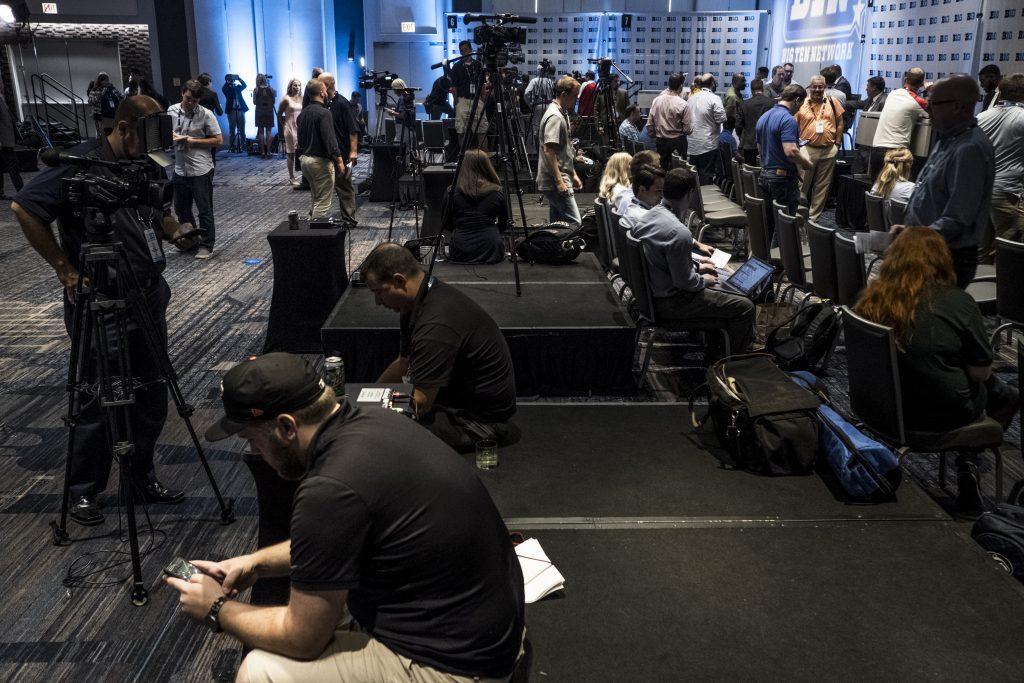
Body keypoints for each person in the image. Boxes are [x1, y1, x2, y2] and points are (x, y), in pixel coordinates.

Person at [170, 353, 525, 681]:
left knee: (261, 669)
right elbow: (332, 542)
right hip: (492, 633)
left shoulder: (329, 489)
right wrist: (257, 563)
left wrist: (217, 608)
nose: (254, 452)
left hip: (461, 669)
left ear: (287, 427)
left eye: (253, 440)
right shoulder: (375, 421)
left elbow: (303, 637)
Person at [12, 95, 194, 526]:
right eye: (146, 134)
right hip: (99, 303)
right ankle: (83, 492)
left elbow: (158, 213)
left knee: (151, 392)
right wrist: (65, 268)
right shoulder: (80, 163)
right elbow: (24, 207)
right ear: (125, 127)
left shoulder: (145, 162)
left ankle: (140, 477)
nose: (151, 145)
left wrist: (177, 233)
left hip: (147, 294)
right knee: (96, 398)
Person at [854, 227, 1019, 511]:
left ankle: (968, 455)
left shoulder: (872, 298)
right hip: (935, 418)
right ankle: (968, 458)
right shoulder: (957, 301)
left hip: (879, 411)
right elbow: (980, 372)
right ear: (943, 260)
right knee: (1005, 392)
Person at [366, 243, 520, 451]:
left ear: (399, 281)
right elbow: (404, 362)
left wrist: (370, 408)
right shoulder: (418, 298)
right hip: (455, 402)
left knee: (373, 430)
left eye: (379, 292)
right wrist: (367, 395)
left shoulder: (437, 323)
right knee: (371, 413)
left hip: (479, 423)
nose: (377, 302)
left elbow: (420, 402)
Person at [630, 167, 754, 361]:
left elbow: (663, 263)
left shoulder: (649, 217)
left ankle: (717, 350)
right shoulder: (678, 232)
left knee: (721, 287)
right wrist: (701, 279)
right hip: (670, 304)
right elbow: (685, 283)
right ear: (690, 194)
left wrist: (697, 268)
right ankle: (725, 363)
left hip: (650, 298)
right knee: (744, 306)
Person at [903, 75, 994, 289]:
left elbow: (957, 218)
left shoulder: (969, 149)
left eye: (933, 103)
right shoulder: (947, 140)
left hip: (946, 257)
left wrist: (914, 236)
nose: (927, 109)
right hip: (927, 247)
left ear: (958, 107)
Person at [168, 80, 223, 259]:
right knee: (182, 209)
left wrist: (191, 141)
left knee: (204, 209)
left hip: (201, 169)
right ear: (182, 94)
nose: (191, 103)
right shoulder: (172, 111)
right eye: (188, 98)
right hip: (180, 169)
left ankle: (207, 244)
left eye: (195, 100)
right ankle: (190, 240)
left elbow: (218, 140)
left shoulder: (206, 115)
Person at [976, 73, 1024, 263]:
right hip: (1006, 192)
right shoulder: (1022, 118)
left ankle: (978, 289)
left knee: (981, 250)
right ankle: (1004, 290)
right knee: (1009, 248)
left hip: (980, 190)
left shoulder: (982, 116)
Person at [756, 84, 811, 242]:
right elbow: (791, 151)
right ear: (797, 100)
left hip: (765, 175)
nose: (799, 109)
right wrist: (805, 162)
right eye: (800, 105)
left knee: (769, 223)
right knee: (784, 224)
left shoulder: (764, 116)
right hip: (782, 178)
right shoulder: (788, 120)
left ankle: (766, 260)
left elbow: (760, 146)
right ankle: (779, 262)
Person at [795, 75, 844, 220]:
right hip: (807, 150)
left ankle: (813, 218)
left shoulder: (832, 102)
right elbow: (793, 124)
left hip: (829, 150)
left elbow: (840, 122)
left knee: (822, 187)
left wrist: (838, 143)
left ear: (825, 87)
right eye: (814, 86)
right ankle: (798, 216)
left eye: (820, 86)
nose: (817, 89)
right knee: (802, 185)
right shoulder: (801, 103)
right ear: (810, 87)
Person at [536, 75, 583, 225]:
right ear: (564, 94)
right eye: (575, 96)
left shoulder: (561, 113)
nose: (577, 99)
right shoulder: (555, 116)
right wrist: (559, 181)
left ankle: (554, 249)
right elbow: (549, 150)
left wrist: (573, 173)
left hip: (558, 177)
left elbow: (563, 150)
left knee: (558, 226)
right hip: (556, 180)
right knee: (575, 224)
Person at [297, 78, 346, 219]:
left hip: (305, 160)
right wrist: (340, 161)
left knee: (316, 198)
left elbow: (300, 141)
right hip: (320, 162)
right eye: (325, 90)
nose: (327, 92)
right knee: (323, 202)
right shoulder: (324, 113)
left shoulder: (303, 113)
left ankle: (312, 228)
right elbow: (330, 140)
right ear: (321, 93)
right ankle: (316, 234)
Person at [448, 149, 508, 264]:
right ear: (487, 166)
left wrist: (462, 228)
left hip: (460, 248)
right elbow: (504, 223)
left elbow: (446, 222)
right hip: (491, 248)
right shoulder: (497, 191)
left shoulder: (451, 192)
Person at [870, 67, 927, 179]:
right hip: (896, 154)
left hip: (877, 150)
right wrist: (930, 89)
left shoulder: (892, 94)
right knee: (893, 193)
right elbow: (934, 111)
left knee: (876, 193)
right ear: (921, 84)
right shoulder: (918, 102)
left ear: (905, 79)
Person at [321, 73, 359, 225]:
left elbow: (353, 130)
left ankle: (349, 219)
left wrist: (353, 151)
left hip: (342, 153)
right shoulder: (322, 104)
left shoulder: (342, 103)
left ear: (328, 85)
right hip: (326, 154)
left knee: (344, 186)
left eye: (320, 84)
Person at [647, 72, 693, 171]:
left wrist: (657, 134)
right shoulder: (683, 104)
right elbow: (688, 130)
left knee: (661, 170)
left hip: (661, 142)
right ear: (681, 86)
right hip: (678, 142)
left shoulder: (656, 100)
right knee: (678, 173)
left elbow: (649, 124)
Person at [687, 74, 727, 183]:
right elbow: (721, 119)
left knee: (693, 178)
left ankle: (695, 199)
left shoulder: (691, 98)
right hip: (708, 144)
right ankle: (704, 199)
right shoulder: (714, 98)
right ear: (712, 84)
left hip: (692, 145)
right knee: (706, 177)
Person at [450, 40, 488, 150]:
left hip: (477, 100)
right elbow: (454, 87)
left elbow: (482, 84)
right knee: (461, 130)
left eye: (466, 49)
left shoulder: (478, 65)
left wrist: (483, 99)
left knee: (482, 129)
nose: (464, 52)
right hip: (463, 100)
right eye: (461, 50)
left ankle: (484, 157)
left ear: (471, 49)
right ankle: (464, 158)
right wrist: (456, 102)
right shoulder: (456, 67)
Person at [735, 78, 773, 166]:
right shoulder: (772, 103)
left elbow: (738, 125)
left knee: (750, 172)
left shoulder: (744, 104)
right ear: (763, 89)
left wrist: (742, 137)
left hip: (749, 144)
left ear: (751, 90)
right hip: (767, 144)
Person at [276, 78, 302, 186]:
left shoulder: (302, 98)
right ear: (290, 86)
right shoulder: (286, 99)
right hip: (290, 127)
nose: (297, 87)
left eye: (299, 85)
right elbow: (279, 115)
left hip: (299, 128)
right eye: (295, 85)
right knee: (291, 153)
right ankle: (291, 177)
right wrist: (285, 125)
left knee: (301, 151)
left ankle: (304, 175)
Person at [0, 82, 23, 199]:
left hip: (6, 140)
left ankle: (1, 193)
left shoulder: (1, 98)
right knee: (13, 166)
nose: (3, 85)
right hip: (3, 142)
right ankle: (21, 192)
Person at [525, 60, 555, 147]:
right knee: (548, 128)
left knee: (536, 129)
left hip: (538, 106)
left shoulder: (534, 81)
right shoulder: (550, 81)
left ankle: (539, 151)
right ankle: (548, 149)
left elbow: (526, 93)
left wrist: (530, 104)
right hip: (549, 106)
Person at [88, 72, 121, 137]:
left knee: (112, 134)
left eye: (107, 80)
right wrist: (101, 94)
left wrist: (113, 89)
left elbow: (120, 97)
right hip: (100, 116)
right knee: (102, 134)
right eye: (105, 80)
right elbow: (90, 102)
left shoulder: (112, 89)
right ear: (100, 81)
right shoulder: (95, 90)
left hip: (112, 115)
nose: (107, 82)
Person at [252, 74, 276, 158]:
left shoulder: (256, 90)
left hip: (259, 112)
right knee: (269, 132)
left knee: (261, 132)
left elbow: (254, 102)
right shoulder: (271, 89)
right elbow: (273, 101)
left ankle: (262, 152)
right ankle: (269, 152)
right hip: (269, 111)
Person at [222, 73, 248, 152]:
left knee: (242, 130)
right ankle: (233, 147)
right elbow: (229, 94)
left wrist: (239, 79)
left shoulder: (237, 87)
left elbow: (244, 85)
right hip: (232, 111)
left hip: (241, 111)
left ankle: (244, 146)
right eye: (230, 79)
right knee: (232, 130)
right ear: (227, 80)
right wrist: (229, 84)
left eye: (232, 79)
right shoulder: (225, 88)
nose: (232, 80)